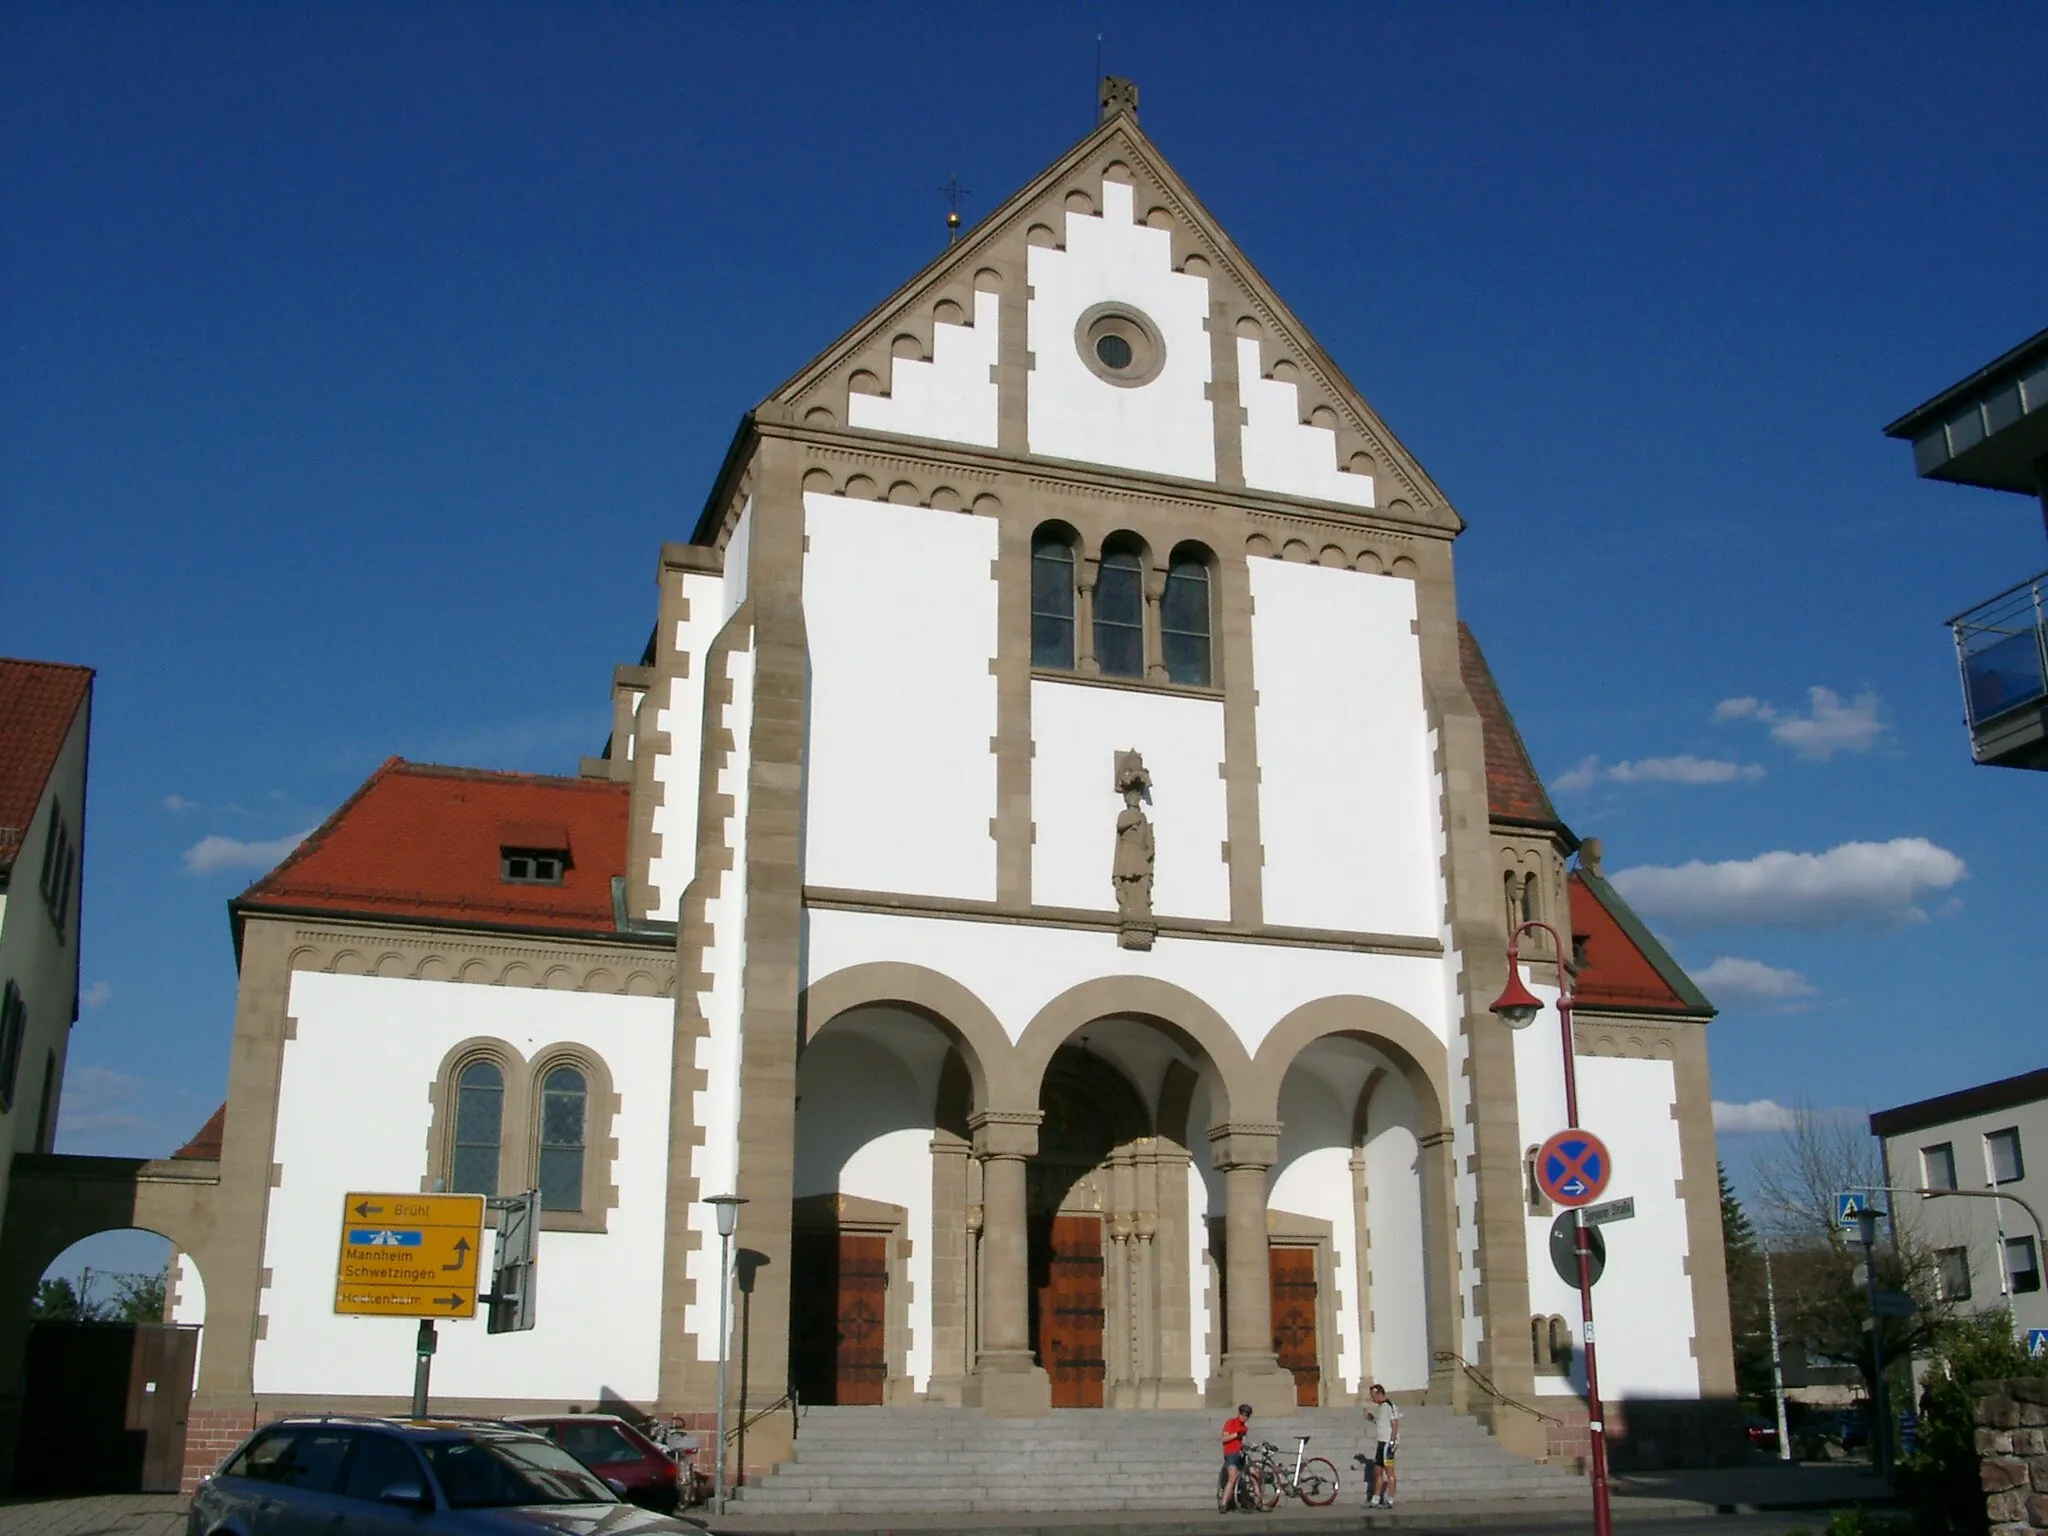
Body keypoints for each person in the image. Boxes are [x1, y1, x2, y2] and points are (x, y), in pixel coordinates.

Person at [1365, 1383, 1401, 1508]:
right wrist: (1371, 1418)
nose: (1372, 1398)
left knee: (1389, 1472)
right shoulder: (1380, 1408)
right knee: (1377, 1471)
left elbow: (1394, 1423)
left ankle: (1390, 1500)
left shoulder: (1390, 1406)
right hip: (1381, 1442)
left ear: (1379, 1394)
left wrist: (1392, 1442)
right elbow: (1382, 1424)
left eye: (1373, 1395)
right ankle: (1375, 1499)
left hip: (1388, 1443)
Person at [1219, 1403, 1252, 1511]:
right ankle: (1223, 1503)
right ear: (1239, 1413)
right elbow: (1224, 1439)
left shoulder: (1245, 1428)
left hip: (1240, 1454)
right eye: (1243, 1414)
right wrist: (1236, 1435)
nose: (1244, 1417)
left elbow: (1241, 1442)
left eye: (1247, 1416)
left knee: (1253, 1473)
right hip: (1231, 1453)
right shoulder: (1231, 1422)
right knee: (1232, 1478)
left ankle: (1258, 1501)